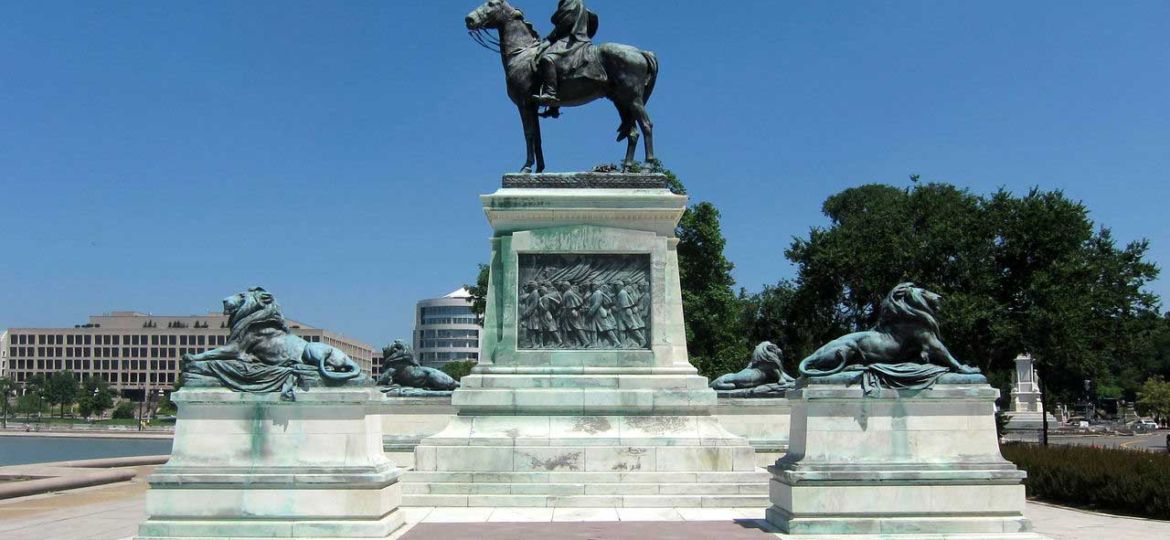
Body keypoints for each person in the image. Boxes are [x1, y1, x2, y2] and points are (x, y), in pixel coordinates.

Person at [532, 0, 598, 105]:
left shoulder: (573, 2)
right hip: (575, 38)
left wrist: (549, 39)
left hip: (570, 40)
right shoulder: (574, 2)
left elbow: (567, 22)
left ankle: (550, 93)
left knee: (547, 59)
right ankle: (554, 106)